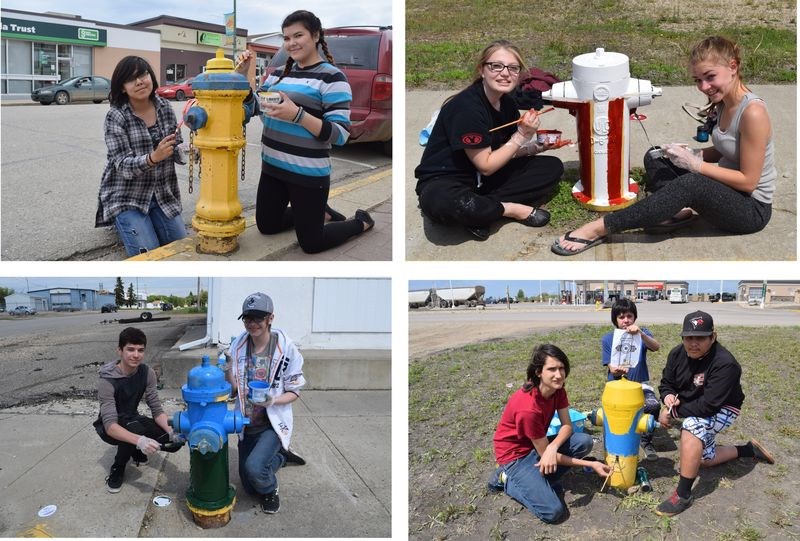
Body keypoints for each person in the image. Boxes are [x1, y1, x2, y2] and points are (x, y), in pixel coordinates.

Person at [552, 36, 776, 255]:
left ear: (733, 67)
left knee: (691, 184)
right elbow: (728, 148)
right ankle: (677, 209)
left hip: (750, 208)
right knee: (656, 155)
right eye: (697, 80)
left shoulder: (753, 112)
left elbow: (748, 182)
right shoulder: (723, 102)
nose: (704, 86)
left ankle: (599, 228)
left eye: (710, 77)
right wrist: (692, 154)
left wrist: (695, 165)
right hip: (727, 189)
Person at [234, 10, 374, 254]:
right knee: (267, 226)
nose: (291, 43)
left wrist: (297, 115)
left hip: (308, 173)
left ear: (316, 35)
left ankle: (359, 222)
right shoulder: (277, 74)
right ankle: (319, 211)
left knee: (311, 243)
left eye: (298, 35)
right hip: (273, 168)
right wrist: (242, 76)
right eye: (286, 38)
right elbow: (254, 107)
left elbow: (340, 134)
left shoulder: (333, 77)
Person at [414, 40, 565, 241]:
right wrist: (521, 136)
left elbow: (502, 151)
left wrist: (534, 147)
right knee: (444, 203)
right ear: (482, 70)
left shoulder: (507, 103)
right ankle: (508, 209)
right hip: (447, 180)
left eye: (513, 68)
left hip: (483, 180)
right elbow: (485, 165)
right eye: (496, 66)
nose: (505, 73)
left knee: (551, 167)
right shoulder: (467, 108)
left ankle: (481, 209)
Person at [654, 310, 775, 516]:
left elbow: (708, 406)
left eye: (700, 338)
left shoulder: (725, 363)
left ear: (713, 336)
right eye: (688, 337)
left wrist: (672, 413)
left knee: (691, 426)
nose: (693, 343)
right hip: (695, 400)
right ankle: (748, 450)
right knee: (701, 460)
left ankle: (683, 495)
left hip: (724, 406)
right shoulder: (676, 353)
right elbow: (667, 383)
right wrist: (667, 398)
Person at [489, 344, 611, 523]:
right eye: (552, 369)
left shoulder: (557, 389)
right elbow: (544, 453)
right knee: (553, 512)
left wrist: (553, 447)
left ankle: (538, 480)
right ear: (539, 372)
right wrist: (590, 465)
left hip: (538, 445)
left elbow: (567, 426)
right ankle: (507, 480)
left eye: (561, 368)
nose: (559, 374)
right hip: (516, 456)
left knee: (584, 441)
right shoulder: (528, 409)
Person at [96, 55, 189, 257]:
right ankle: (121, 219)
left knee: (183, 250)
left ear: (151, 77)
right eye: (131, 79)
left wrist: (191, 151)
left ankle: (146, 221)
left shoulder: (165, 108)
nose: (139, 82)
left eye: (143, 74)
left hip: (163, 194)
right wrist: (153, 157)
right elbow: (122, 165)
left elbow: (176, 148)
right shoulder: (116, 116)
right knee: (149, 253)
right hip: (127, 196)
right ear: (122, 87)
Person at [224, 292, 306, 514]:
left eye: (258, 318)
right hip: (247, 424)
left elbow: (295, 392)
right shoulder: (238, 346)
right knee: (249, 486)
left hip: (271, 424)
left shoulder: (287, 350)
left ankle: (271, 490)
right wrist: (227, 368)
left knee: (256, 471)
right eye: (248, 318)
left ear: (270, 318)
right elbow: (233, 390)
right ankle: (280, 457)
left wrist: (273, 400)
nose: (252, 324)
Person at [94, 327, 183, 493]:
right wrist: (140, 441)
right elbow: (110, 426)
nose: (136, 355)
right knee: (133, 432)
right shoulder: (107, 380)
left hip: (132, 418)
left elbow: (156, 408)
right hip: (110, 426)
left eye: (140, 350)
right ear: (120, 350)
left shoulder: (147, 373)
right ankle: (118, 466)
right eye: (130, 349)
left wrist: (171, 431)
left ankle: (135, 450)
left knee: (173, 444)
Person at [601, 298, 661, 460]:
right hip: (616, 387)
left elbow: (656, 347)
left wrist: (640, 334)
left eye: (629, 316)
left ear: (635, 317)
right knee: (613, 413)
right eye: (621, 317)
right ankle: (610, 441)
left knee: (654, 406)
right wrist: (616, 371)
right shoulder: (608, 339)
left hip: (641, 385)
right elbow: (611, 367)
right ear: (615, 319)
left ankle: (645, 440)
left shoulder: (643, 333)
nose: (626, 320)